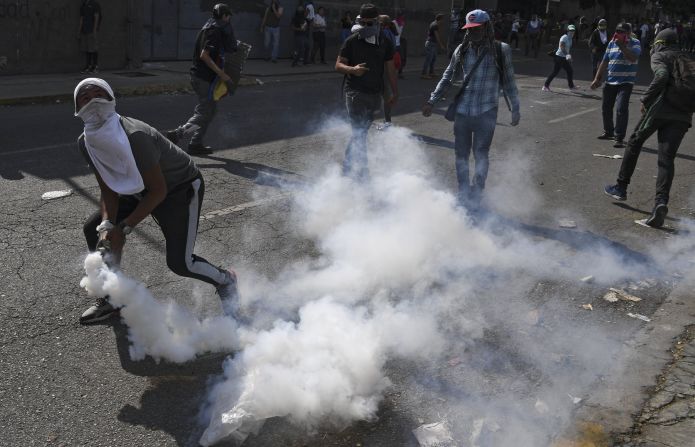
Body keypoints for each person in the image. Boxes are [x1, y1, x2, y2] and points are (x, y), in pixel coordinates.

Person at [73, 78, 238, 324]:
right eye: (85, 98)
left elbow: (158, 191)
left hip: (177, 188)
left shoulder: (135, 135)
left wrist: (125, 227)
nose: (94, 101)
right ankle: (113, 298)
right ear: (77, 109)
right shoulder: (86, 142)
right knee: (94, 230)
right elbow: (108, 187)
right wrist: (108, 226)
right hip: (136, 188)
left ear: (111, 100)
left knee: (180, 263)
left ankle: (226, 280)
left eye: (100, 94)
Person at [422, 9, 520, 209]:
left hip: (487, 111)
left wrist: (515, 108)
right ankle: (464, 191)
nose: (472, 32)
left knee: (481, 154)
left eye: (477, 28)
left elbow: (509, 81)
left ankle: (478, 190)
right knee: (461, 155)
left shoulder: (501, 50)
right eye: (469, 29)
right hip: (463, 113)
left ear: (487, 27)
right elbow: (448, 77)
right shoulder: (462, 50)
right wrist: (432, 101)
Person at [604, 29, 693, 228]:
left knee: (635, 141)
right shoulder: (687, 57)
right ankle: (660, 203)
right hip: (683, 115)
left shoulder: (659, 55)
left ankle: (621, 187)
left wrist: (646, 98)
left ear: (660, 42)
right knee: (666, 160)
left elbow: (661, 76)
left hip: (659, 111)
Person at [335, 3, 398, 180]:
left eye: (372, 23)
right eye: (365, 23)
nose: (368, 26)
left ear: (378, 21)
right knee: (359, 132)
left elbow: (390, 68)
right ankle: (362, 173)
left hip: (374, 94)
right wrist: (353, 69)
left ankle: (348, 167)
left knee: (361, 131)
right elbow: (338, 65)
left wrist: (394, 92)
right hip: (354, 93)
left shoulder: (384, 41)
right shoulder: (352, 40)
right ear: (360, 21)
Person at [166, 3, 237, 155]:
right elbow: (204, 55)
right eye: (228, 16)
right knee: (205, 112)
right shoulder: (215, 31)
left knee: (210, 111)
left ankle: (196, 143)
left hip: (201, 76)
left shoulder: (208, 26)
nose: (229, 19)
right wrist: (222, 74)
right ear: (224, 15)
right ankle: (178, 134)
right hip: (203, 77)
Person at [591, 23, 641, 148]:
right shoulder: (612, 43)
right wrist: (597, 78)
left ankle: (619, 137)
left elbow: (633, 58)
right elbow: (604, 61)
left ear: (628, 33)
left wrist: (622, 46)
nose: (618, 33)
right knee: (606, 107)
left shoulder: (635, 43)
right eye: (617, 31)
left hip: (626, 82)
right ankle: (608, 132)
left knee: (621, 109)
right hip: (610, 81)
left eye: (622, 31)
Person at [543, 24, 579, 91]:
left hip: (563, 57)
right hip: (559, 57)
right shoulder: (564, 37)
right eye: (570, 30)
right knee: (558, 72)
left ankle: (571, 86)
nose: (571, 32)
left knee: (568, 71)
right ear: (567, 31)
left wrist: (568, 56)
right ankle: (545, 86)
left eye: (573, 31)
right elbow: (562, 46)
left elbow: (567, 49)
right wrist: (567, 55)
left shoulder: (570, 39)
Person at [78, 0, 101, 74]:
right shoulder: (83, 5)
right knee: (87, 49)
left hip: (92, 30)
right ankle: (88, 66)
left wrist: (94, 30)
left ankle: (95, 66)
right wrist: (79, 31)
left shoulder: (95, 4)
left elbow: (96, 17)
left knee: (93, 48)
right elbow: (81, 19)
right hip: (84, 30)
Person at [421, 13, 446, 79]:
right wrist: (441, 45)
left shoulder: (433, 23)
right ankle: (423, 74)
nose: (443, 21)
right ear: (440, 19)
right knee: (428, 59)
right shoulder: (435, 25)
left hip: (432, 43)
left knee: (433, 59)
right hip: (431, 44)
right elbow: (437, 36)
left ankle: (431, 72)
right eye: (442, 20)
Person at [394, 12, 407, 78]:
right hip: (393, 44)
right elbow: (395, 33)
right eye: (402, 17)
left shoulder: (402, 23)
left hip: (398, 44)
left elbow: (399, 34)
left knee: (402, 58)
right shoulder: (393, 23)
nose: (403, 18)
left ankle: (400, 73)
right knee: (392, 59)